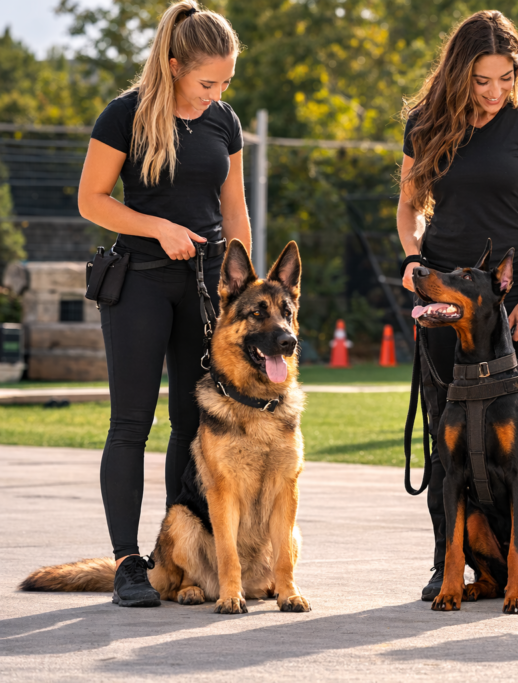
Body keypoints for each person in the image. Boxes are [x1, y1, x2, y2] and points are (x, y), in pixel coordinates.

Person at [77, 1, 248, 607]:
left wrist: (246, 292)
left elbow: (235, 213)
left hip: (205, 289)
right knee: (131, 424)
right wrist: (158, 228)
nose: (216, 94)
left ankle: (169, 556)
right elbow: (92, 201)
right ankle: (127, 564)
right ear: (174, 65)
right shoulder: (124, 116)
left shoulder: (223, 123)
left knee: (189, 425)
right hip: (142, 285)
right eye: (207, 82)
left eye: (225, 82)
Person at [396, 10, 518, 601]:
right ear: (458, 73)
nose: (495, 93)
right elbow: (410, 205)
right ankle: (448, 567)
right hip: (442, 296)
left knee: (517, 446)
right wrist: (413, 256)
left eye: (506, 78)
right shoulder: (425, 122)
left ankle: (517, 567)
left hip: (509, 298)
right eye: (482, 80)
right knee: (448, 444)